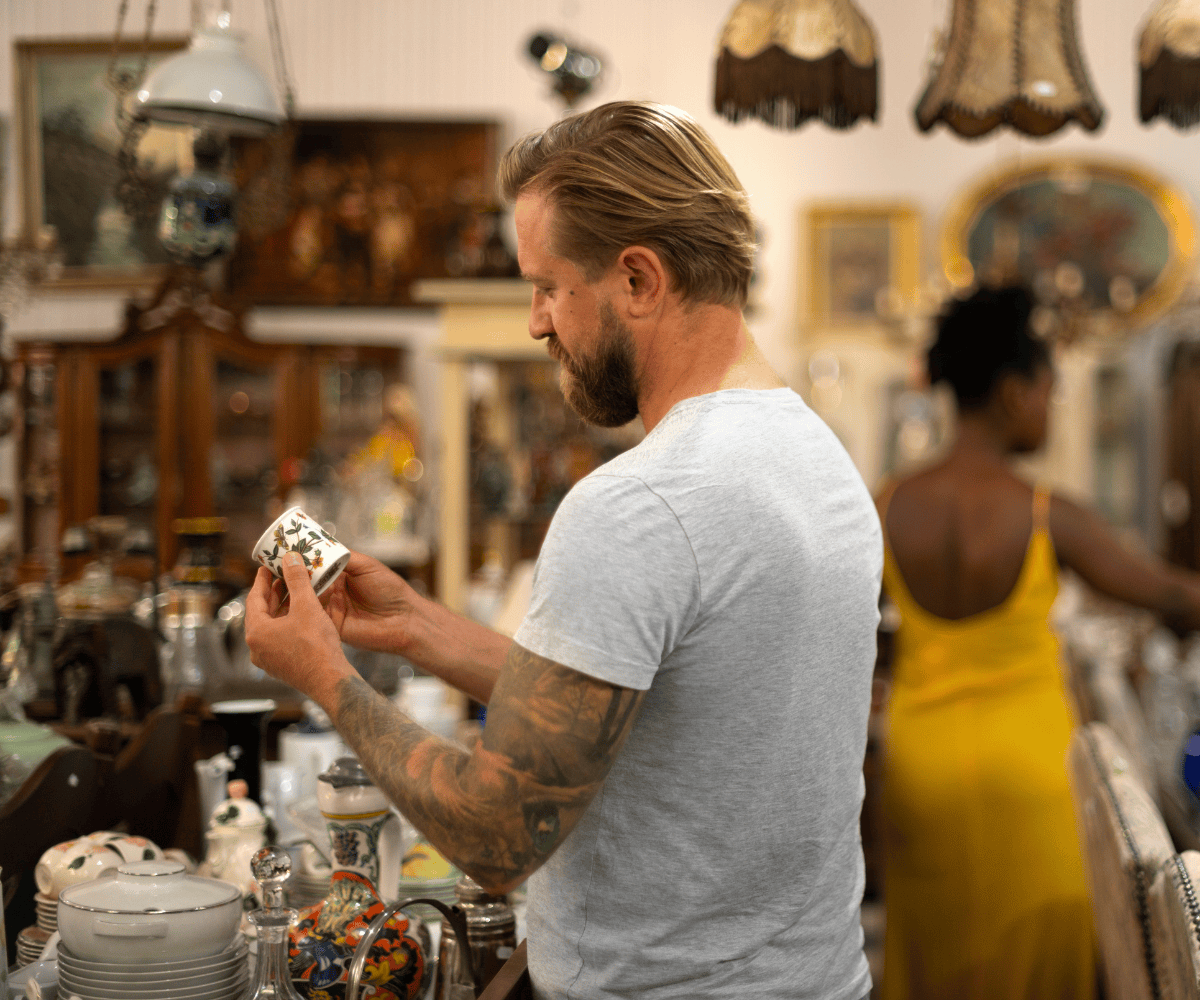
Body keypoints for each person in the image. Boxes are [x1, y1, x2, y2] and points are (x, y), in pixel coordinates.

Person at [245, 101, 882, 1000]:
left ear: (637, 279)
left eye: (547, 287)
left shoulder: (641, 504)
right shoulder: (815, 457)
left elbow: (497, 836)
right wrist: (418, 628)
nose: (538, 323)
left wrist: (322, 674)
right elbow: (649, 708)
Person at [877, 285, 1200, 1000]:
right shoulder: (1048, 513)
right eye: (1050, 390)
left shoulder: (884, 505)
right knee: (1039, 965)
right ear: (1012, 392)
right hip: (1031, 775)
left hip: (919, 774)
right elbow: (1175, 595)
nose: (1051, 408)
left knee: (938, 959)